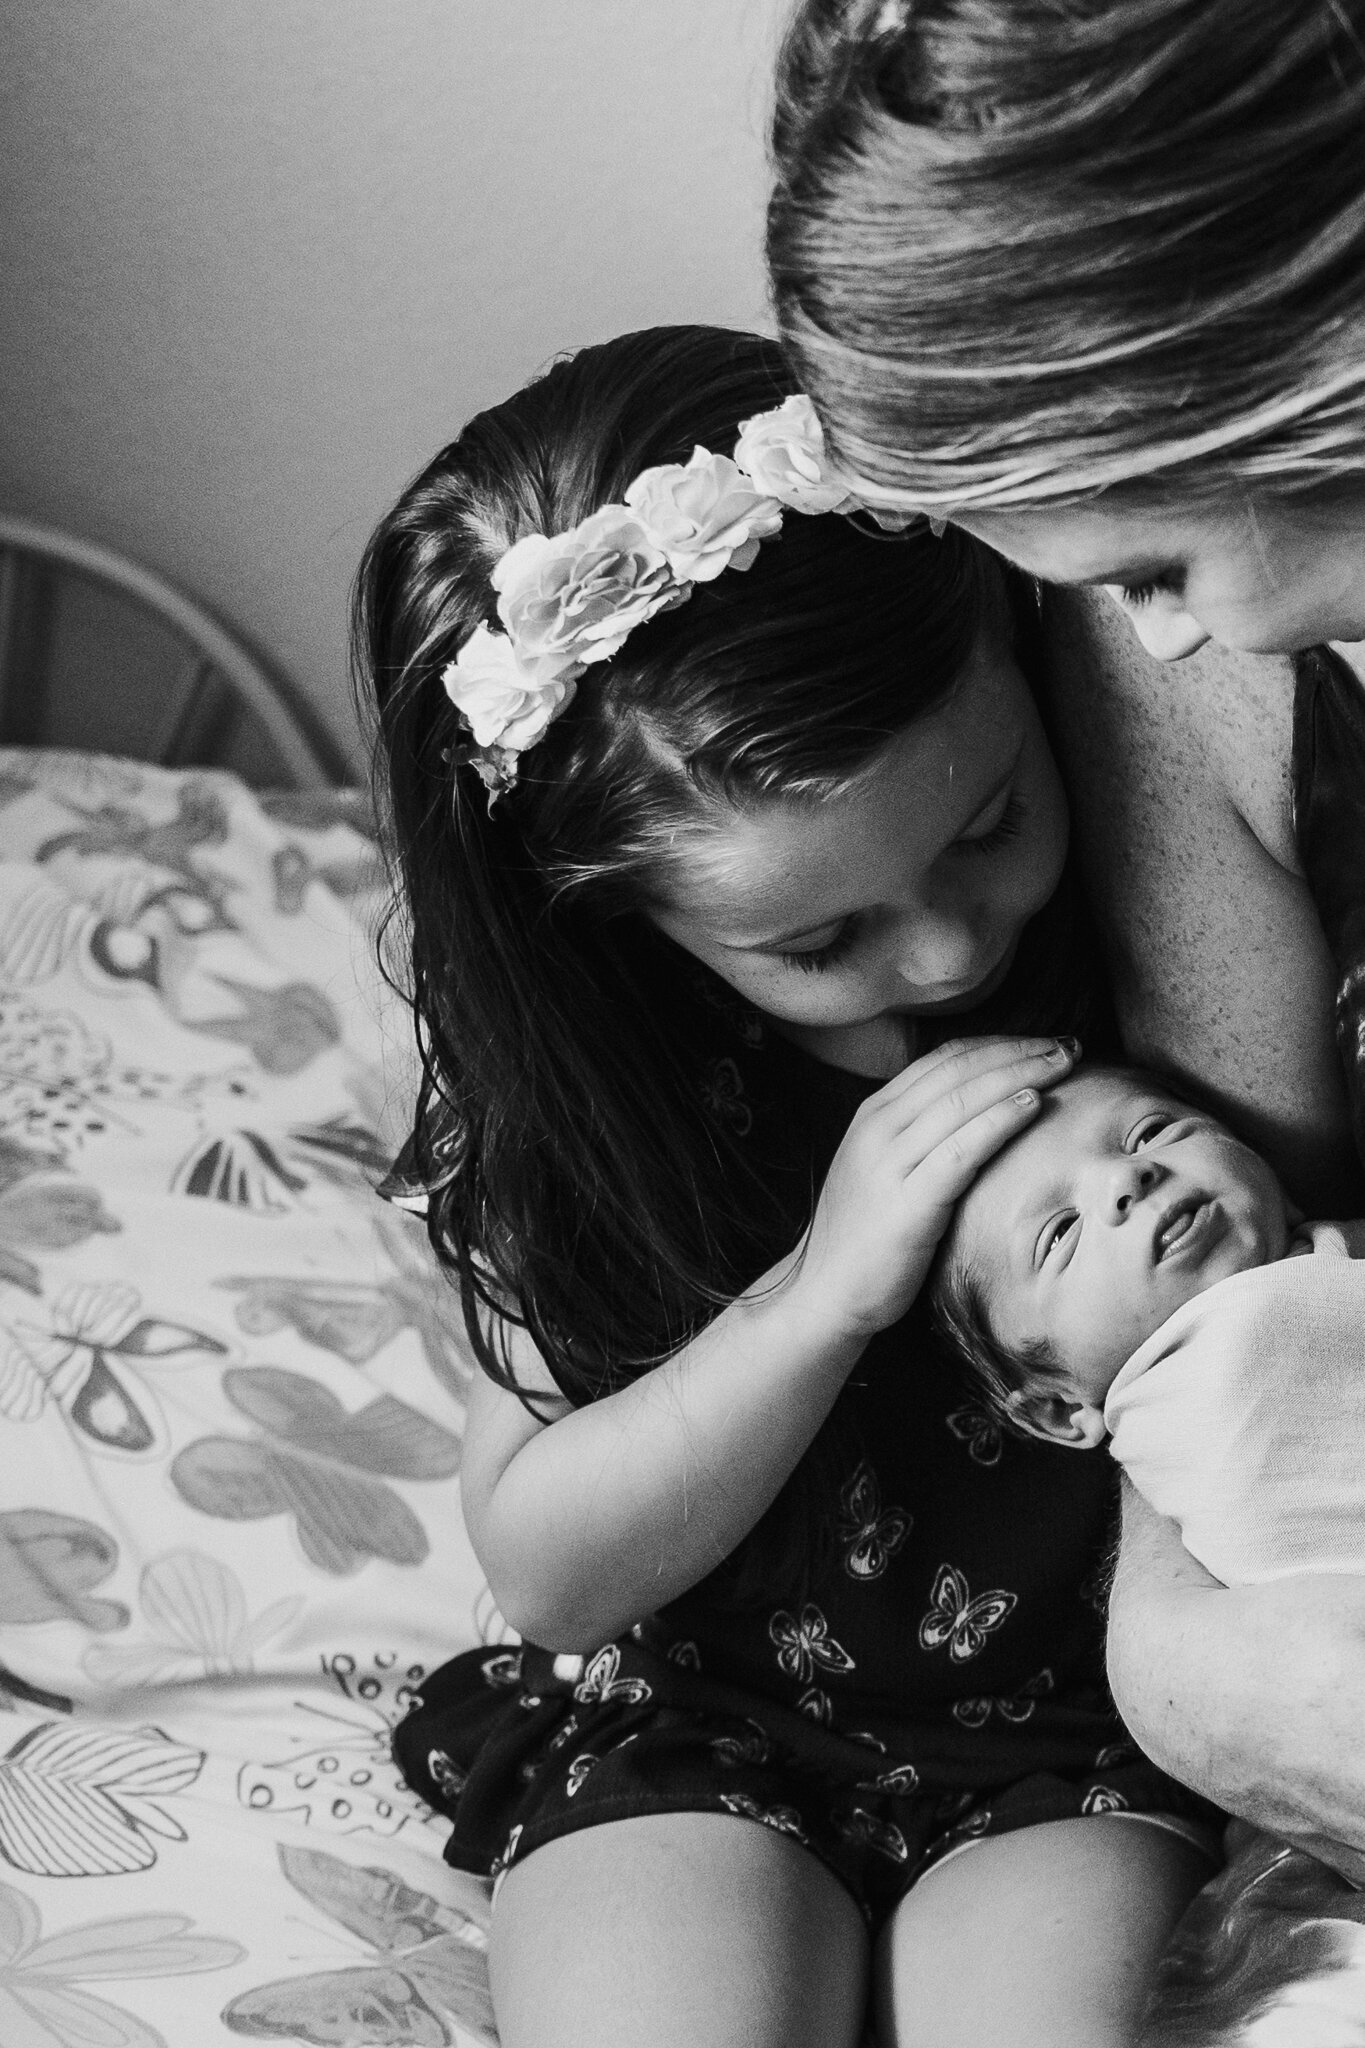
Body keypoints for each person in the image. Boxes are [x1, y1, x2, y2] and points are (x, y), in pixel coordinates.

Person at [354, 325, 1219, 2048]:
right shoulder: (613, 1117)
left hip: (1066, 1736)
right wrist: (819, 1293)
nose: (955, 942)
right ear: (625, 926)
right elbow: (550, 1569)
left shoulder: (1147, 951)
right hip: (693, 1714)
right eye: (820, 939)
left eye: (988, 819)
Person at [766, 0, 1365, 1873]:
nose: (1161, 634)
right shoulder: (1199, 688)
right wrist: (1198, 1660)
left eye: (1152, 567)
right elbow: (1256, 1245)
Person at [931, 1064, 1365, 1597]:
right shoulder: (1168, 1415)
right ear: (1062, 1409)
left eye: (1150, 1132)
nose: (1127, 1175)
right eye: (1061, 1231)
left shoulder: (1338, 1249)